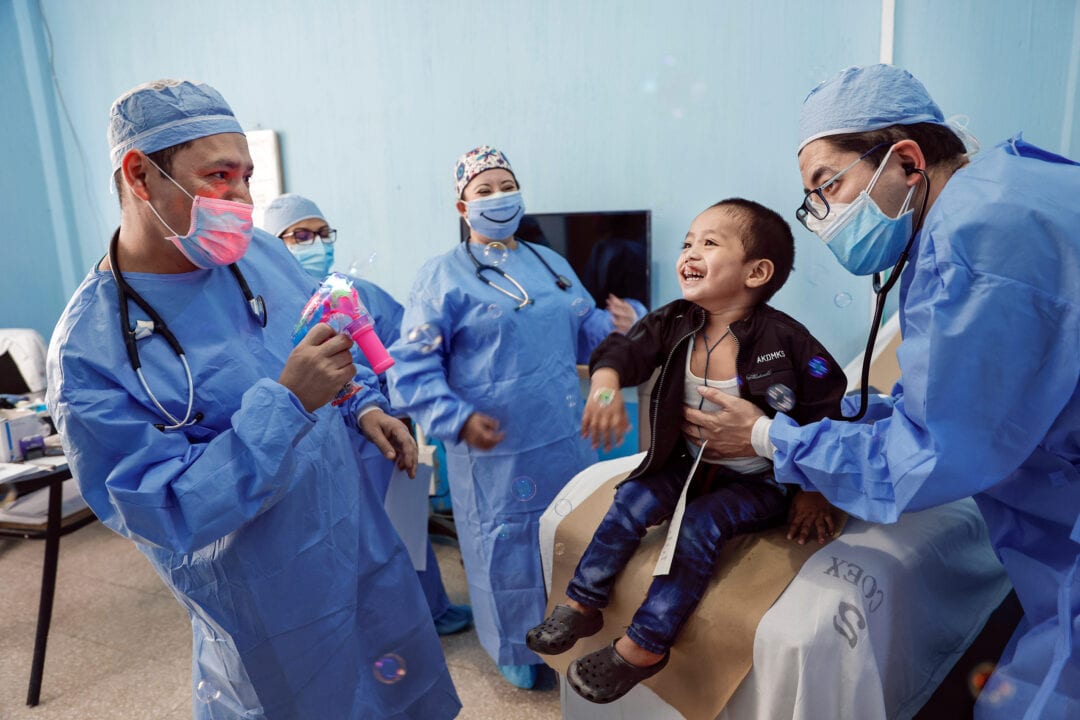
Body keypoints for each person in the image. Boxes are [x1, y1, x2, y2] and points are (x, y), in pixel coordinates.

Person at [45, 79, 460, 719]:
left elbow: (318, 346)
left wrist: (362, 405)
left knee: (396, 696)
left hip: (357, 548)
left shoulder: (259, 256)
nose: (240, 199)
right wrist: (286, 404)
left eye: (246, 178)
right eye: (218, 177)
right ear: (139, 175)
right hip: (267, 600)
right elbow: (164, 509)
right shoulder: (91, 353)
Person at [690, 64, 1080, 719]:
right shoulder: (1001, 190)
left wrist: (766, 436)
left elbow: (943, 447)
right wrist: (847, 414)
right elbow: (963, 389)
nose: (822, 215)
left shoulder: (978, 240)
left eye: (827, 185)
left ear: (906, 160)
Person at [525, 198, 847, 704]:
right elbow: (624, 350)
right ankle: (584, 601)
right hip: (688, 465)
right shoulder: (675, 320)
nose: (690, 252)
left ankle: (647, 645)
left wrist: (813, 489)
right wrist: (605, 385)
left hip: (761, 479)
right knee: (631, 498)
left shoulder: (788, 341)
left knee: (701, 523)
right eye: (687, 243)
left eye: (710, 243)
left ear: (756, 272)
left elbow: (828, 409)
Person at [387, 145, 640, 689]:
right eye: (485, 190)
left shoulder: (551, 264)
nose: (498, 197)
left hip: (562, 439)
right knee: (506, 551)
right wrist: (453, 417)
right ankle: (515, 648)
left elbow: (588, 331)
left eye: (507, 185)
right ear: (462, 207)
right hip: (493, 451)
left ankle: (570, 629)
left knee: (567, 539)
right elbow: (409, 366)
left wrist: (626, 325)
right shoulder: (442, 277)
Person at [263, 192, 474, 636]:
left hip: (378, 438)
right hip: (313, 445)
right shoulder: (266, 306)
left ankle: (427, 611)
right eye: (301, 235)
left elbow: (406, 350)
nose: (316, 243)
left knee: (402, 530)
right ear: (273, 242)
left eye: (323, 233)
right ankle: (366, 628)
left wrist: (411, 407)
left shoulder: (356, 294)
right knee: (342, 542)